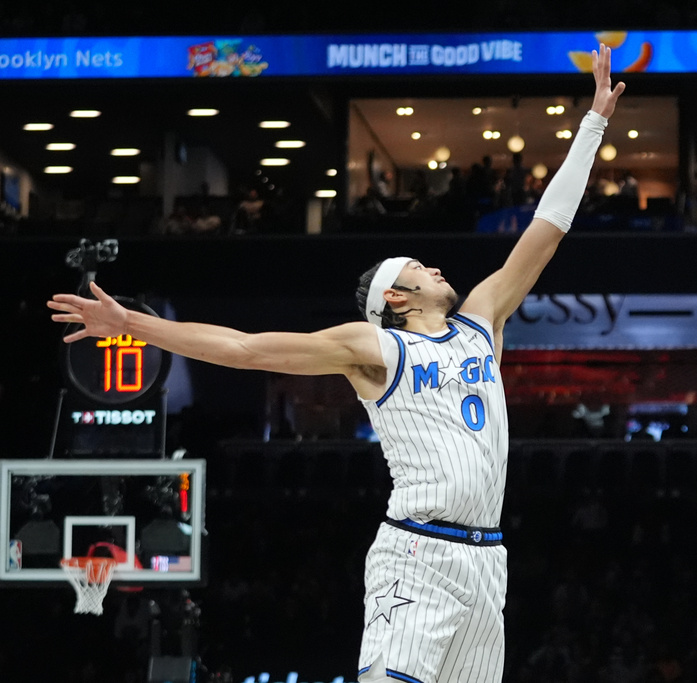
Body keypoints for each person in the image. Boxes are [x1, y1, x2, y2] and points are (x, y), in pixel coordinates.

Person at [48, 45, 625, 683]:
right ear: (396, 299)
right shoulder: (374, 348)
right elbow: (244, 348)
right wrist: (131, 323)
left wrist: (594, 122)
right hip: (418, 553)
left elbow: (548, 226)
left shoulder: (481, 321)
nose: (435, 267)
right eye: (416, 268)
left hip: (489, 560)